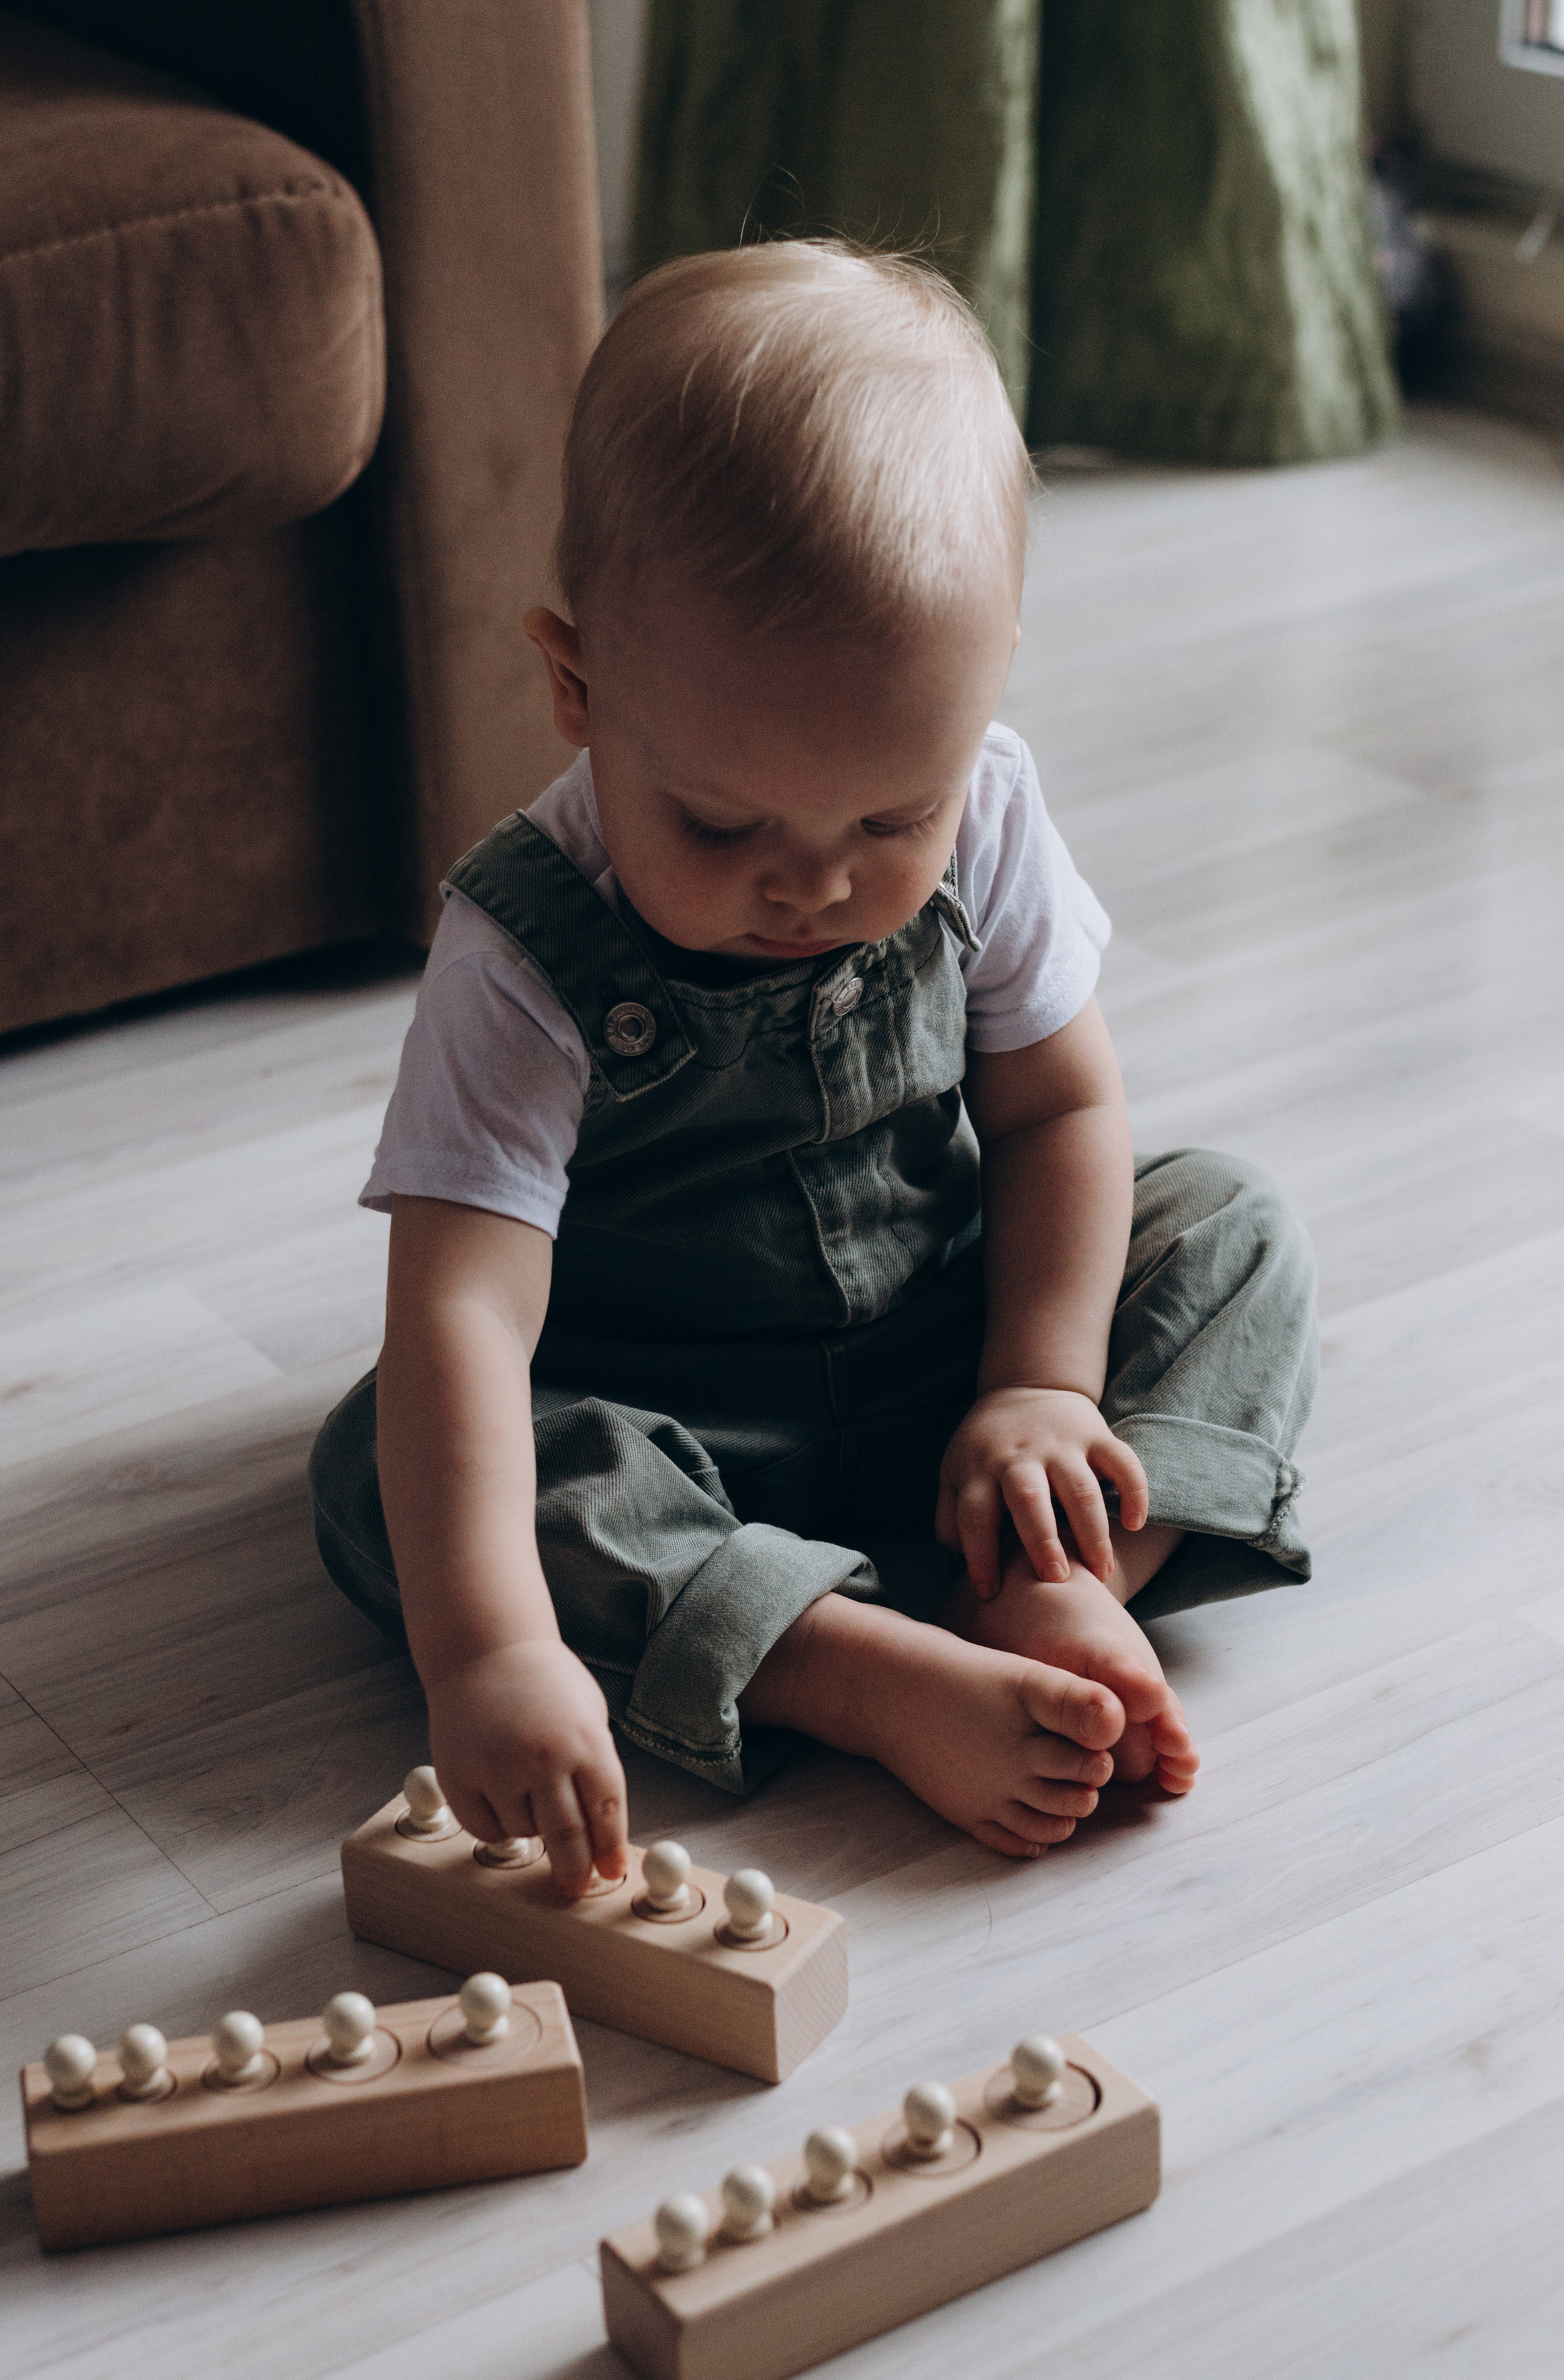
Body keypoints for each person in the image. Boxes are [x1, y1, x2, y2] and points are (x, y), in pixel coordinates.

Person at [310, 240, 1317, 1898]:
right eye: (721, 824)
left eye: (889, 818)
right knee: (386, 1464)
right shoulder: (517, 954)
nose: (813, 886)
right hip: (675, 1421)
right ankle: (844, 1666)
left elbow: (1059, 1109)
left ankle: (1051, 1569)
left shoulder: (989, 809)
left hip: (954, 1354)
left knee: (1227, 1222)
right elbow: (464, 1314)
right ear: (575, 684)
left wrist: (1040, 1386)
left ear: (985, 683)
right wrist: (489, 1653)